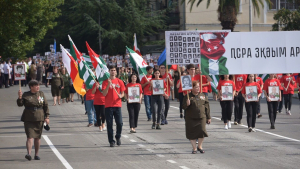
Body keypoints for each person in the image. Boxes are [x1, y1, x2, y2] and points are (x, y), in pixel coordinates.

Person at [17, 80, 50, 161]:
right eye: (36, 86)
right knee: (29, 136)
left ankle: (36, 154)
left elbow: (45, 105)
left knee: (37, 138)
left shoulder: (41, 94)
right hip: (28, 118)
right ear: (31, 87)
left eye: (38, 85)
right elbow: (20, 104)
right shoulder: (26, 94)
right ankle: (29, 153)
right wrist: (20, 97)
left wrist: (47, 117)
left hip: (39, 117)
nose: (38, 87)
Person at [182, 81, 211, 154]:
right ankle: (194, 148)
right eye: (196, 87)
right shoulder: (188, 96)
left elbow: (207, 106)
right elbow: (183, 106)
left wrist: (208, 117)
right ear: (192, 88)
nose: (198, 88)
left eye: (198, 87)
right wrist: (187, 104)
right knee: (191, 133)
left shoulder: (203, 95)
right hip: (191, 118)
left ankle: (200, 146)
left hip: (202, 117)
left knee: (202, 131)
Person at [102, 65, 125, 147]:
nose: (113, 72)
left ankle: (118, 136)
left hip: (117, 105)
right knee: (109, 124)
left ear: (116, 71)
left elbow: (123, 93)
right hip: (108, 106)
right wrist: (108, 84)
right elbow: (104, 93)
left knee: (120, 123)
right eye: (111, 70)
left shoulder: (120, 81)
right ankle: (111, 141)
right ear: (109, 71)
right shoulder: (105, 82)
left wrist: (121, 96)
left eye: (114, 70)